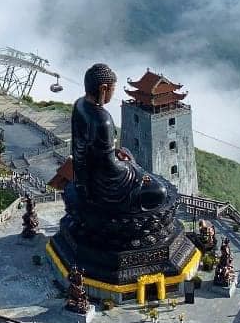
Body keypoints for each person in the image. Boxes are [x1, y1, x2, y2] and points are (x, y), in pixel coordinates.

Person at [70, 63, 167, 214]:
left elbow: (85, 150)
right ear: (103, 88)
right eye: (113, 89)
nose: (113, 93)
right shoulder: (103, 120)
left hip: (84, 177)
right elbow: (110, 168)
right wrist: (132, 166)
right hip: (102, 187)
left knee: (125, 151)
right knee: (159, 191)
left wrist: (115, 153)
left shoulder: (79, 105)